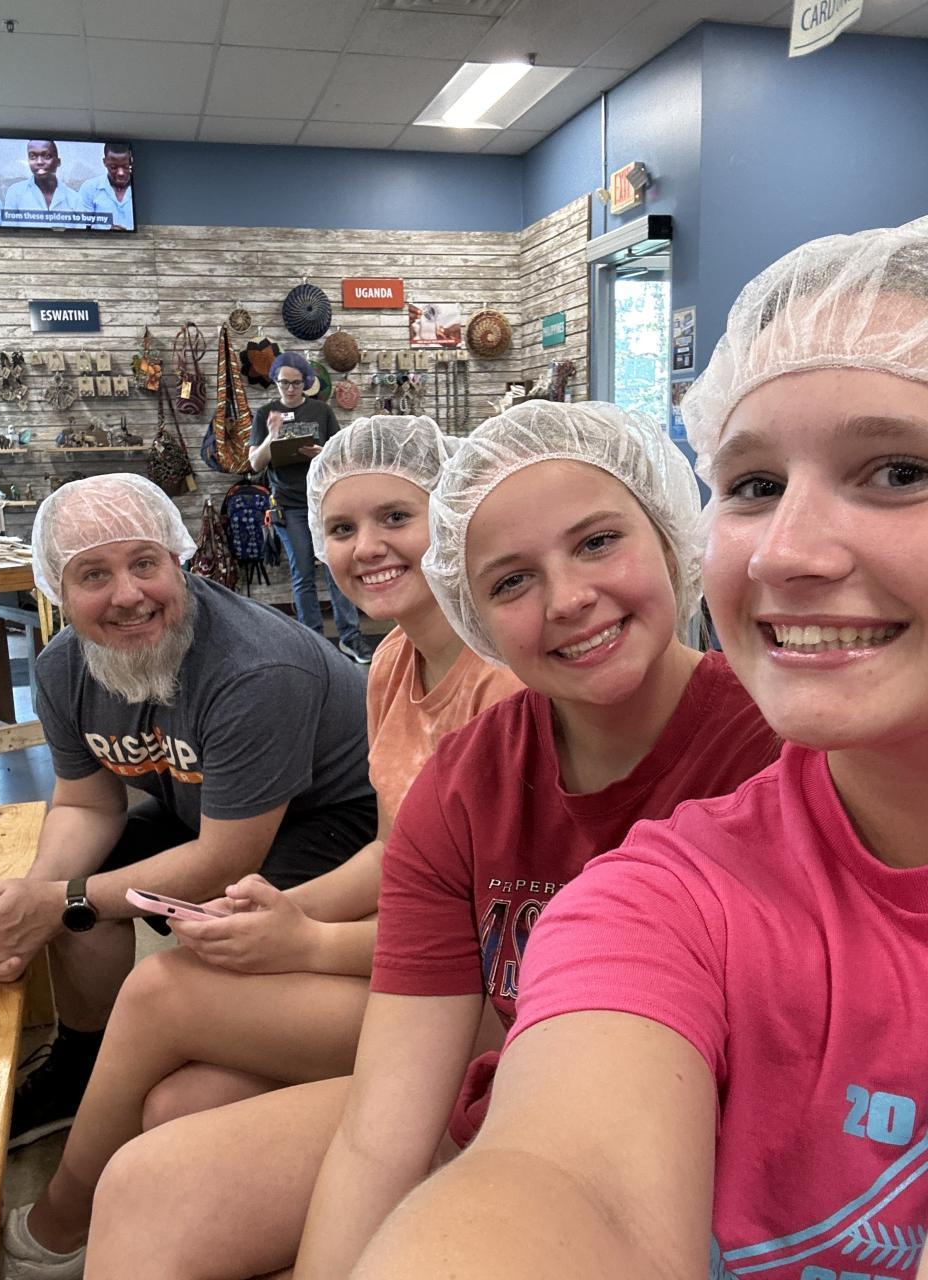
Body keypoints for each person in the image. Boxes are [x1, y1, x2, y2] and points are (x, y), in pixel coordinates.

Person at [346, 219, 928, 1280]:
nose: (790, 552)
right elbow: (569, 1187)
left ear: (668, 539)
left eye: (898, 470)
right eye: (754, 485)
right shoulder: (667, 887)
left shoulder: (757, 735)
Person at [80, 401, 778, 1280]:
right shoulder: (465, 779)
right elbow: (384, 1130)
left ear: (673, 538)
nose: (569, 599)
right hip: (505, 1097)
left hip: (719, 1158)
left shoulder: (780, 748)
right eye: (511, 581)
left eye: (598, 542)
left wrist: (302, 938)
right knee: (149, 1186)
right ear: (472, 608)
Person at [0, 416, 521, 1280]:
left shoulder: (504, 687)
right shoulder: (395, 663)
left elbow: (496, 934)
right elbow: (397, 856)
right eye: (341, 527)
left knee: (164, 990)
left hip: (482, 1006)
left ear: (455, 517)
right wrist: (279, 911)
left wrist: (305, 941)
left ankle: (58, 1224)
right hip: (414, 960)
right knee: (174, 1105)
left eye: (397, 517)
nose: (367, 547)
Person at [0, 473, 375, 1156]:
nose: (128, 595)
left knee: (218, 937)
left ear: (178, 560)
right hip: (210, 813)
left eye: (144, 563)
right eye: (93, 574)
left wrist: (60, 902)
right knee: (74, 891)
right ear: (54, 591)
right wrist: (32, 902)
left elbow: (225, 860)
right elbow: (87, 804)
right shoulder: (64, 667)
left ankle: (206, 1059)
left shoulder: (255, 669)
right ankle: (83, 1064)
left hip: (334, 818)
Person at [248, 352, 373, 663]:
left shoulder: (321, 411)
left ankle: (351, 638)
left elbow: (342, 456)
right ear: (275, 382)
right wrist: (272, 436)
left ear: (306, 382)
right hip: (288, 505)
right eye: (284, 383)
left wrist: (321, 452)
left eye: (296, 383)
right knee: (302, 573)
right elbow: (254, 464)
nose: (290, 389)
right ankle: (314, 643)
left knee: (337, 569)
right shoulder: (265, 413)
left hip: (325, 503)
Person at [3, 140, 80, 220]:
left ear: (58, 162)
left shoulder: (74, 199)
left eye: (47, 156)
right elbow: (9, 227)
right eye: (33, 156)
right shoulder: (15, 193)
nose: (39, 162)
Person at [77, 142, 133, 231]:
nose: (120, 173)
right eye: (114, 167)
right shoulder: (89, 188)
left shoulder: (141, 189)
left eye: (126, 167)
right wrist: (106, 234)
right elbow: (81, 227)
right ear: (105, 162)